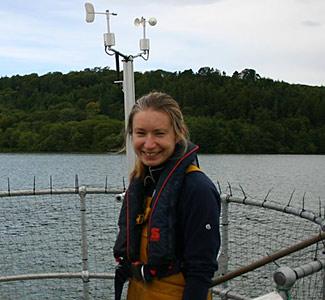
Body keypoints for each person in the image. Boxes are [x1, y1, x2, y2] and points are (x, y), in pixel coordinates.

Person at [113, 91, 221, 300]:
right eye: (141, 133)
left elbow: (201, 269)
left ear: (177, 133)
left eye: (159, 133)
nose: (149, 144)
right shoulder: (142, 181)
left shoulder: (198, 189)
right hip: (137, 291)